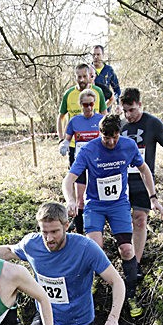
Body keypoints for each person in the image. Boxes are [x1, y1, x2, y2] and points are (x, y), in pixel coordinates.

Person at [62, 113, 163, 318]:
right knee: (94, 248)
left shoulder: (128, 146)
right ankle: (89, 291)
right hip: (95, 206)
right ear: (99, 134)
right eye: (106, 138)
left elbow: (145, 170)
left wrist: (153, 198)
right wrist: (71, 200)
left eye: (114, 137)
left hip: (119, 204)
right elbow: (69, 179)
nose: (110, 142)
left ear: (120, 133)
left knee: (127, 250)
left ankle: (131, 294)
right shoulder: (89, 150)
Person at [120, 88, 163, 279]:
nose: (128, 115)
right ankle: (123, 255)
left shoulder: (152, 123)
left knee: (140, 220)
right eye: (125, 111)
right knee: (122, 224)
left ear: (140, 105)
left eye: (132, 110)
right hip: (120, 182)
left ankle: (135, 264)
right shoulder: (120, 125)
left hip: (143, 181)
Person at [59, 89, 103, 234]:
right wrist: (64, 144)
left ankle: (97, 228)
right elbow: (67, 138)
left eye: (91, 104)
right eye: (85, 105)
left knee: (99, 196)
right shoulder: (75, 121)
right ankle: (80, 231)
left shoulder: (100, 120)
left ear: (95, 103)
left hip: (98, 163)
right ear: (81, 105)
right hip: (81, 163)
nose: (89, 108)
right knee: (80, 199)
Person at [57, 63, 107, 145]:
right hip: (75, 143)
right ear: (75, 77)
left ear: (89, 76)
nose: (82, 80)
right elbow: (61, 116)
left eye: (84, 76)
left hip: (96, 143)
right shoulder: (68, 94)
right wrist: (61, 138)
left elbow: (104, 115)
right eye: (79, 77)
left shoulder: (98, 91)